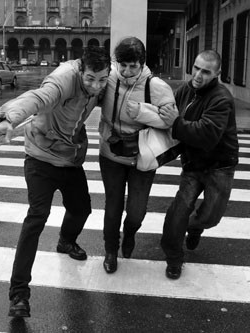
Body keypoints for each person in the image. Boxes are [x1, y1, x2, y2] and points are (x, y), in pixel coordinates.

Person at [0, 46, 111, 317]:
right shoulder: (64, 78)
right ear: (81, 70)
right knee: (37, 216)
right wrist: (10, 119)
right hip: (40, 156)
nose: (95, 86)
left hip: (69, 157)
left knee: (82, 209)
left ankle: (66, 241)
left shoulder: (102, 82)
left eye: (101, 79)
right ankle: (19, 294)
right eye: (90, 78)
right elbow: (38, 98)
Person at [98, 37, 177, 274]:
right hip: (110, 153)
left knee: (136, 211)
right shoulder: (108, 79)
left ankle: (130, 231)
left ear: (142, 64)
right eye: (122, 64)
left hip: (142, 156)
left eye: (133, 65)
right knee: (112, 207)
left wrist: (142, 112)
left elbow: (171, 122)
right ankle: (111, 250)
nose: (127, 71)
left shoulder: (156, 87)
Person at [158, 50, 239, 280]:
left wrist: (175, 122)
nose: (198, 75)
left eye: (205, 71)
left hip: (220, 165)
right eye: (196, 68)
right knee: (179, 209)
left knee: (211, 216)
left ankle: (195, 227)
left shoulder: (222, 99)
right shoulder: (186, 89)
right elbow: (168, 107)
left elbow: (207, 134)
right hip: (193, 163)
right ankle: (173, 257)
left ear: (217, 74)